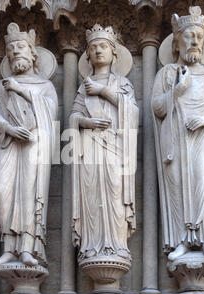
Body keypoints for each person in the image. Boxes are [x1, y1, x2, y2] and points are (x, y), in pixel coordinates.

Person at [151, 6, 204, 261]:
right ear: (176, 42)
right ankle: (181, 240)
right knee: (176, 189)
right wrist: (178, 90)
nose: (194, 41)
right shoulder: (166, 74)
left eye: (199, 36)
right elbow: (157, 108)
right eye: (188, 35)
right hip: (173, 141)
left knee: (201, 183)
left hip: (200, 139)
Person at [0, 23, 58, 267]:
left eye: (21, 47)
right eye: (11, 50)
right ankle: (9, 247)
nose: (16, 52)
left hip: (34, 144)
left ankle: (28, 247)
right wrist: (9, 129)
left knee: (29, 193)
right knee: (2, 191)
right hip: (9, 144)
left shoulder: (44, 85)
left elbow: (51, 112)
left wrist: (21, 91)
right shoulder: (1, 85)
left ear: (32, 53)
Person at [70, 24, 138, 263]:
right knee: (91, 197)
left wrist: (103, 91)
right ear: (87, 54)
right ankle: (92, 245)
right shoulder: (83, 86)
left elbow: (132, 112)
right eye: (93, 47)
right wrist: (87, 122)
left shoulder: (121, 83)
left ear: (114, 52)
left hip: (115, 150)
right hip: (90, 150)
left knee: (115, 194)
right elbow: (73, 117)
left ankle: (117, 245)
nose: (98, 51)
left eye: (103, 46)